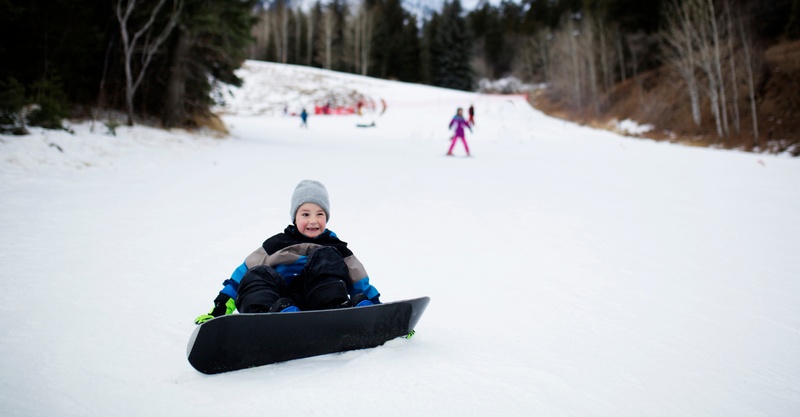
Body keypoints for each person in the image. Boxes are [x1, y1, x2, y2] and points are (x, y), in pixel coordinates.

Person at [194, 180, 381, 324]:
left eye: (320, 214)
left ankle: (338, 310)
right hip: (281, 305)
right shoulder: (276, 244)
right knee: (257, 273)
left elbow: (359, 280)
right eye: (305, 214)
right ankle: (266, 318)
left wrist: (380, 311)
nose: (313, 221)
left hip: (322, 304)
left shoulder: (336, 248)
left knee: (327, 256)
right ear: (295, 217)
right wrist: (220, 307)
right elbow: (240, 278)